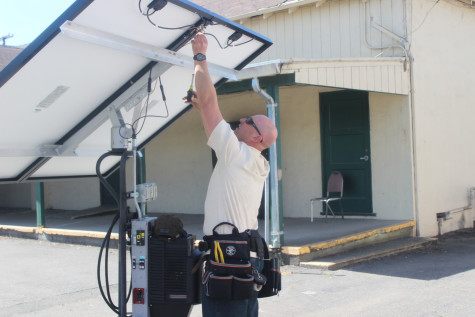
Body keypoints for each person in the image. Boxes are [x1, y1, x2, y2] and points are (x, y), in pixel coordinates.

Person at [186, 32, 278, 317]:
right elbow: (210, 109)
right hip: (243, 261)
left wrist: (200, 57)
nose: (241, 120)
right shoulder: (254, 162)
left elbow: (212, 104)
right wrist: (203, 108)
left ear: (256, 138)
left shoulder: (236, 155)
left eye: (248, 121)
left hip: (227, 259)